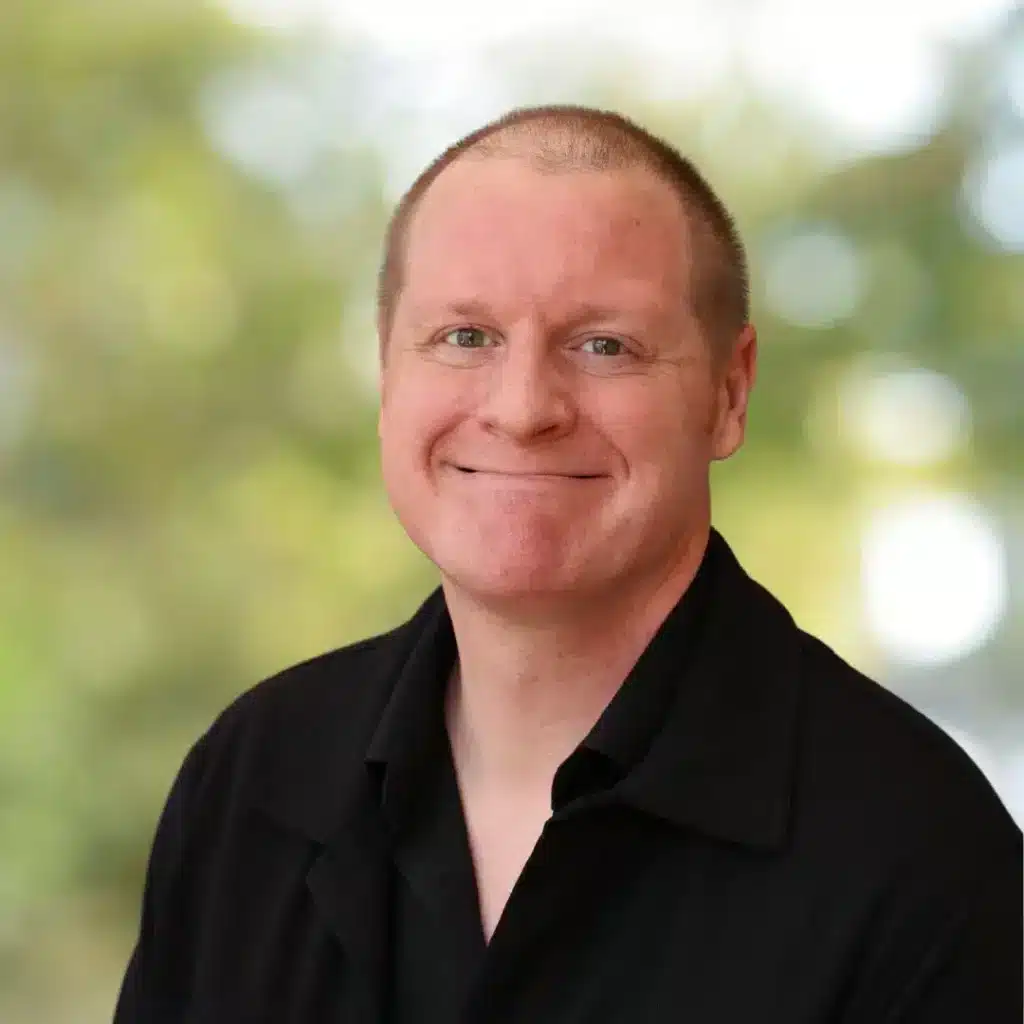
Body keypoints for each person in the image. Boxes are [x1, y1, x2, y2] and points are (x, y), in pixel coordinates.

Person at [113, 105, 1022, 1024]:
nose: (521, 409)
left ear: (729, 393)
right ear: (389, 375)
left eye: (603, 346)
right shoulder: (253, 783)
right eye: (465, 337)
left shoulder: (923, 859)